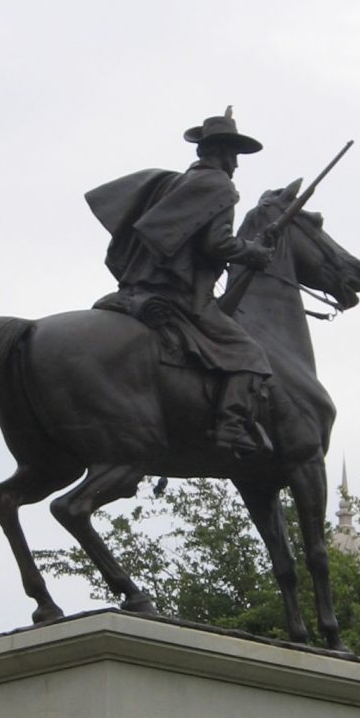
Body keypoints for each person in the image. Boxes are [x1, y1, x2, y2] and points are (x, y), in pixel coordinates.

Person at [85, 108, 275, 457]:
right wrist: (252, 252)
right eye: (234, 154)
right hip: (180, 296)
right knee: (250, 353)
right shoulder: (220, 186)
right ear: (220, 152)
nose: (237, 163)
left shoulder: (174, 184)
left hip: (138, 287)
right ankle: (230, 425)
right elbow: (215, 244)